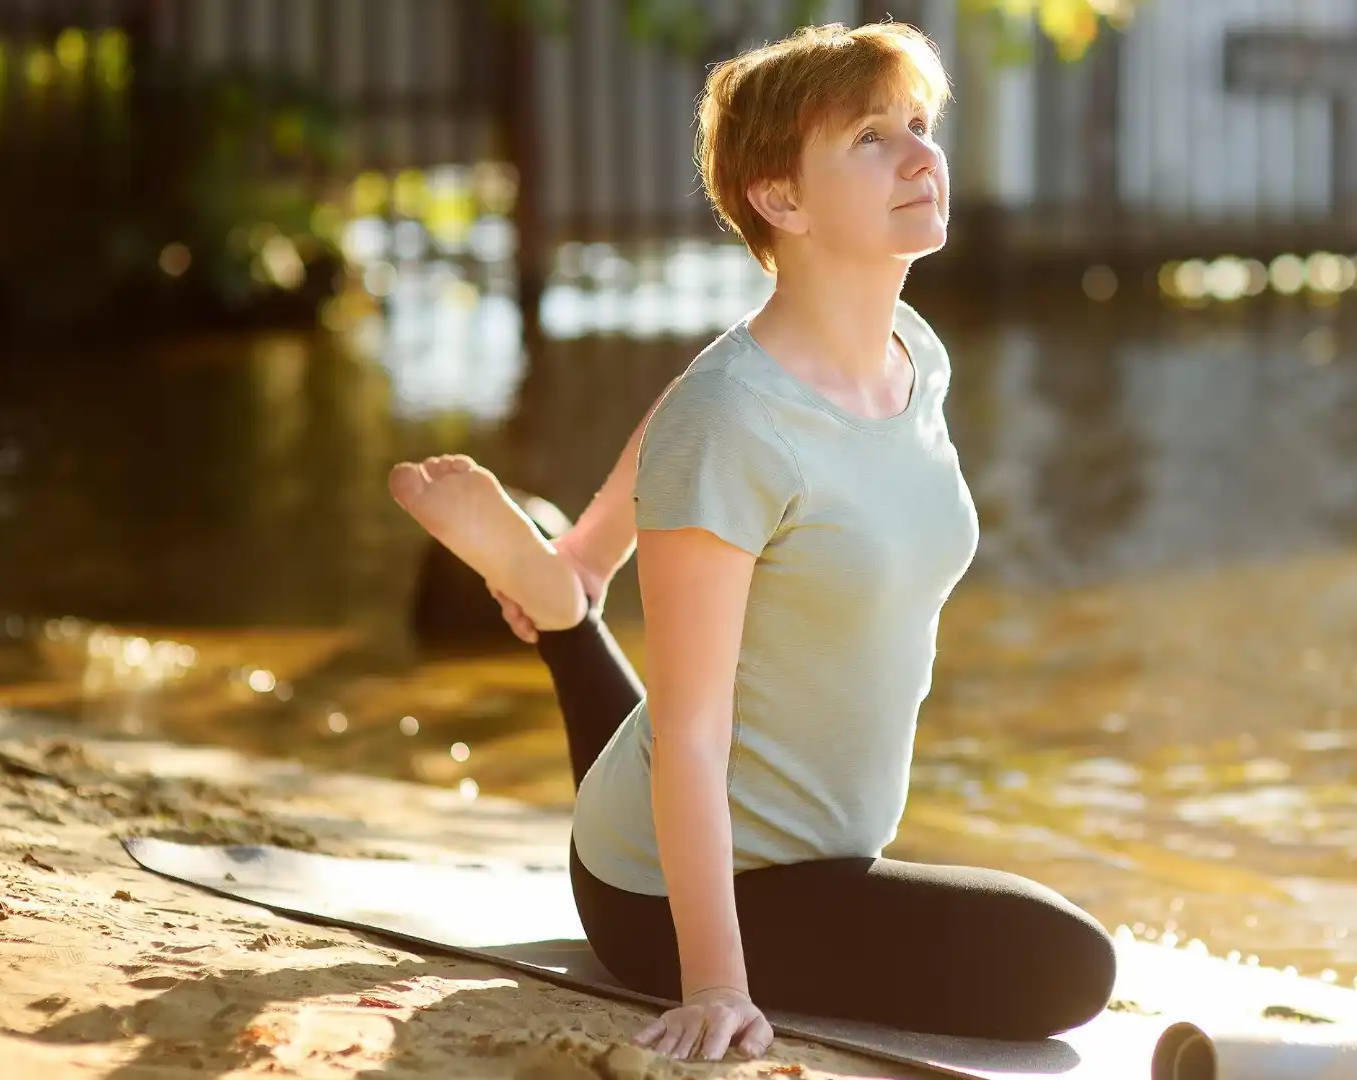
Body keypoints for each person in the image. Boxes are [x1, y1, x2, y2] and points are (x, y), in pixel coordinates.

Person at [387, 20, 1116, 1063]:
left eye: (920, 124)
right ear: (781, 197)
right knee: (1066, 962)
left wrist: (596, 543)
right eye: (872, 137)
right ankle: (565, 616)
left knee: (643, 716)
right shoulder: (735, 417)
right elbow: (689, 729)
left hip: (813, 844)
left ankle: (562, 602)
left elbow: (702, 407)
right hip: (684, 898)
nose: (923, 156)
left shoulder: (913, 355)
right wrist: (716, 985)